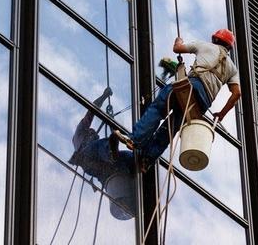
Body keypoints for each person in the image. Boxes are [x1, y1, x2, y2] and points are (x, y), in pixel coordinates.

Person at [114, 29, 241, 172]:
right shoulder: (232, 68)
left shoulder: (205, 46)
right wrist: (221, 114)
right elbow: (237, 94)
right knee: (170, 128)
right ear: (229, 47)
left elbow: (177, 49)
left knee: (159, 108)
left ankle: (134, 139)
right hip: (201, 104)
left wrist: (178, 41)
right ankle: (146, 160)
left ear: (215, 40)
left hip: (190, 86)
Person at [69, 87, 136, 219]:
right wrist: (104, 96)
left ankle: (134, 163)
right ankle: (112, 156)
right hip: (88, 157)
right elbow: (92, 110)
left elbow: (113, 138)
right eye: (93, 133)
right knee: (101, 146)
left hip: (102, 169)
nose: (95, 134)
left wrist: (112, 123)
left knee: (129, 157)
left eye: (94, 134)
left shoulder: (97, 144)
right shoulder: (79, 135)